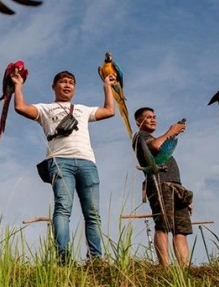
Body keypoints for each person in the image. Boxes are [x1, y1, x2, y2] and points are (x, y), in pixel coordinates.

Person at [12, 70, 115, 263]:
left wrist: (107, 86)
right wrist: (18, 85)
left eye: (71, 83)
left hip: (87, 162)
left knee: (93, 214)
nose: (67, 85)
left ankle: (96, 259)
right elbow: (20, 107)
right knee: (63, 209)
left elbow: (109, 110)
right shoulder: (45, 109)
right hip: (60, 161)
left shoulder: (83, 110)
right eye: (63, 82)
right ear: (54, 86)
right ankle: (63, 258)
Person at [132, 108, 192, 267]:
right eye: (148, 118)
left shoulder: (152, 136)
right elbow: (156, 146)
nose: (153, 120)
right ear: (139, 121)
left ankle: (184, 269)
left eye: (154, 117)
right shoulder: (141, 136)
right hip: (160, 183)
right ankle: (165, 267)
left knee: (181, 229)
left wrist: (183, 192)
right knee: (163, 225)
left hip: (176, 186)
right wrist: (171, 132)